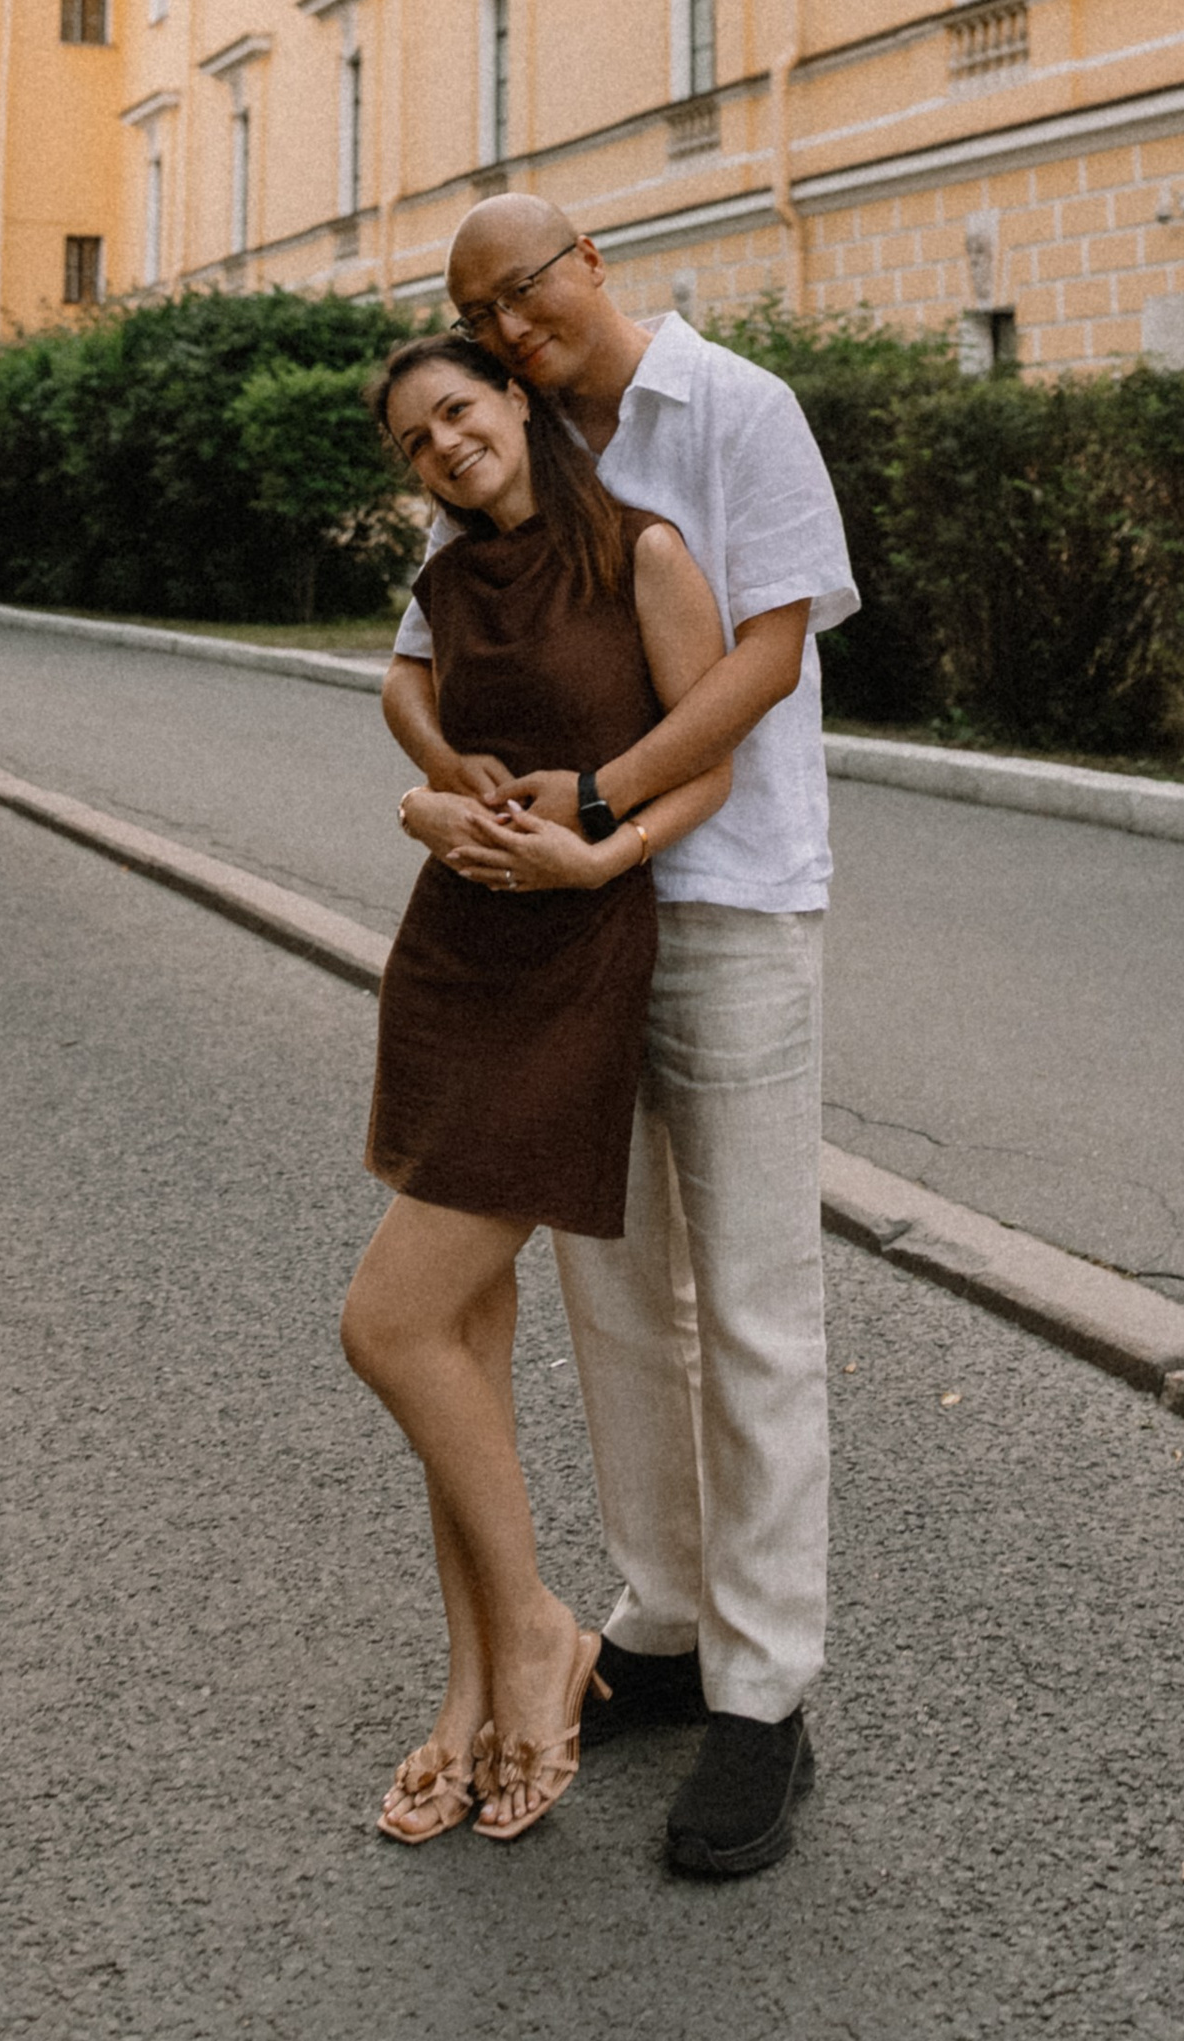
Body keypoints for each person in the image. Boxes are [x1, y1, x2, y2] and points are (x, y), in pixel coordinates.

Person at [383, 200, 857, 1880]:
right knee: (613, 1293)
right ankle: (659, 1619)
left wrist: (599, 803)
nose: (506, 330)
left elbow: (768, 660)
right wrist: (461, 802)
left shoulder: (732, 409)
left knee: (751, 1302)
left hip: (723, 905)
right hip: (559, 932)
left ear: (590, 260)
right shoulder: (509, 449)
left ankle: (765, 1685)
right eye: (475, 315)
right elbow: (417, 662)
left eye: (521, 290)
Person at [342, 332, 741, 1847]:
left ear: (515, 399)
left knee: (386, 1320)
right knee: (461, 1338)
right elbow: (403, 685)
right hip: (452, 951)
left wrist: (602, 846)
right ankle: (469, 1696)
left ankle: (536, 1633)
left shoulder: (643, 552)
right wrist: (442, 779)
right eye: (415, 440)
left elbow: (714, 762)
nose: (444, 445)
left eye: (460, 409)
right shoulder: (448, 573)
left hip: (576, 954)